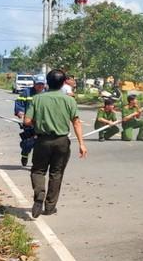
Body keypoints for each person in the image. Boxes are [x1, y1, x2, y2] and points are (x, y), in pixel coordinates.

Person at [23, 69, 88, 218]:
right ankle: (50, 207)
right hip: (62, 142)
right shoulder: (69, 100)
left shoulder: (38, 99)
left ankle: (39, 194)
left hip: (42, 141)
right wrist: (81, 144)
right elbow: (76, 122)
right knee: (56, 173)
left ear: (47, 82)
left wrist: (38, 120)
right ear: (63, 83)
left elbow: (26, 121)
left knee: (38, 171)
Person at [14, 74, 46, 167]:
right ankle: (25, 154)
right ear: (34, 84)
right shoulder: (26, 93)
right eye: (38, 84)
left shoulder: (47, 94)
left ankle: (37, 164)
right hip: (29, 123)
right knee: (28, 143)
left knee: (41, 144)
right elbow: (19, 104)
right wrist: (20, 112)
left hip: (43, 124)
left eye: (42, 84)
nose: (40, 86)